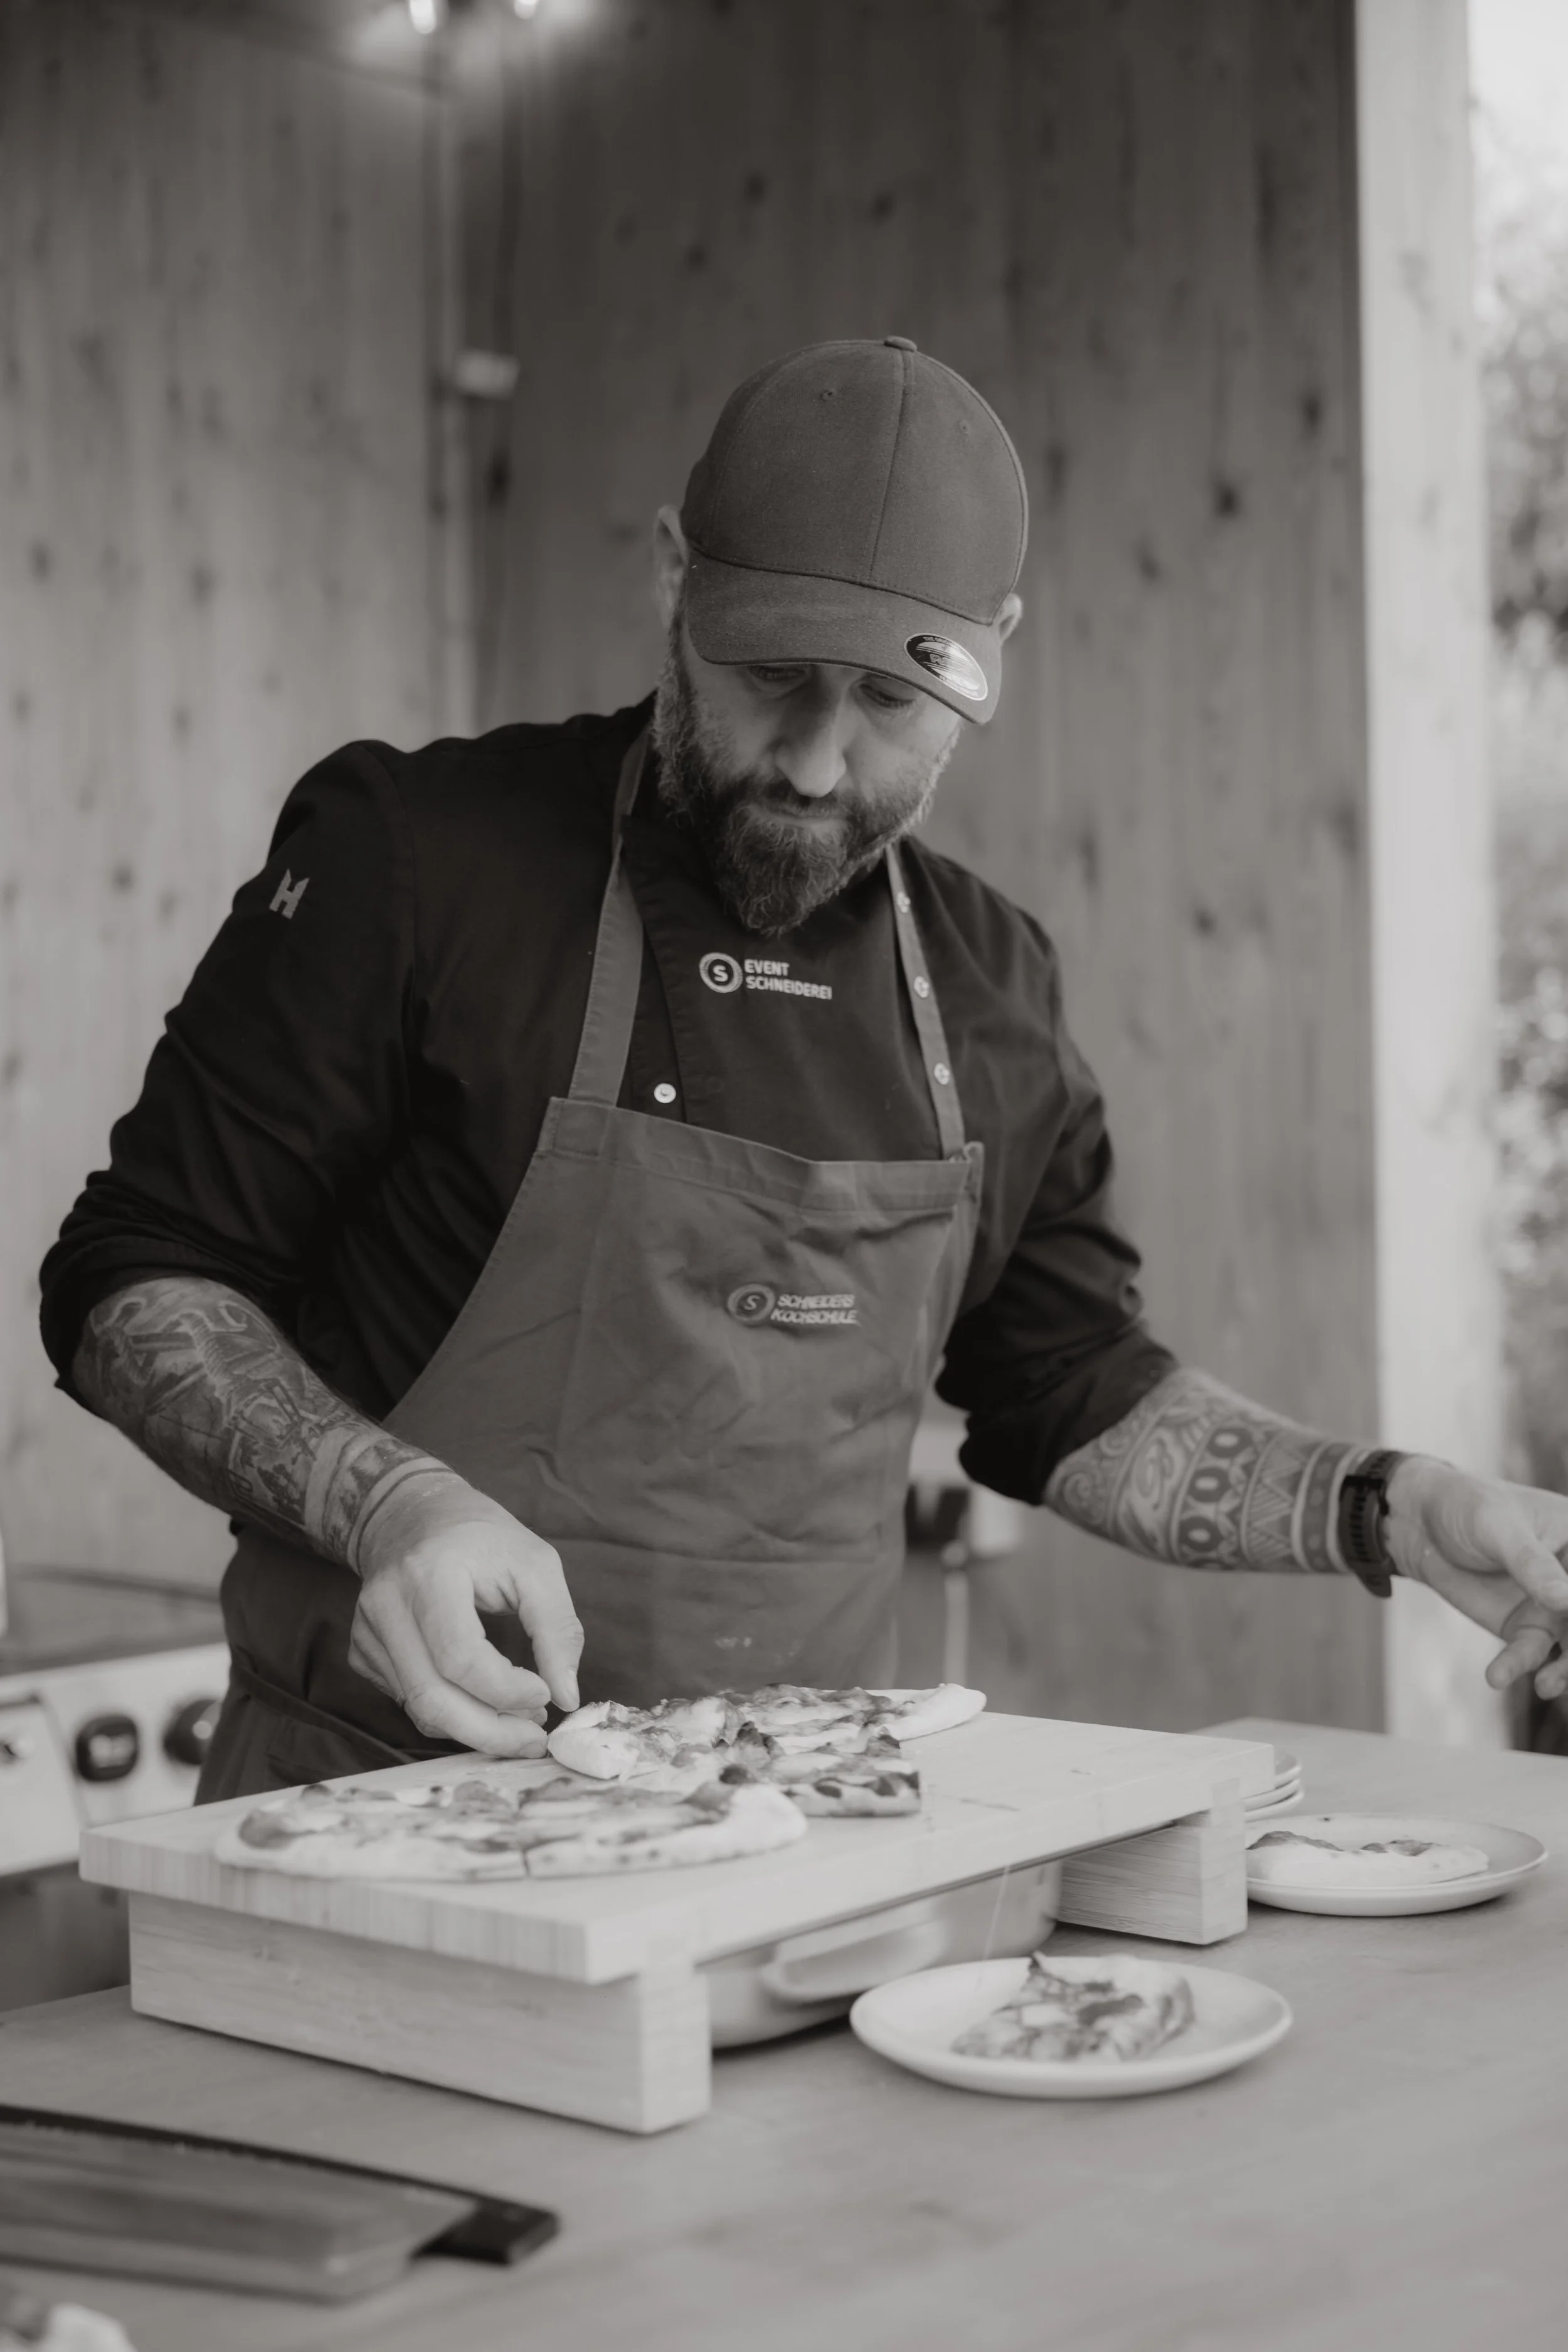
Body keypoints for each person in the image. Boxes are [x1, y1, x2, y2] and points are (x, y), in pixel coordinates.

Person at [40, 337, 1568, 1802]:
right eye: (773, 674)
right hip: (371, 1819)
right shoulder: (416, 864)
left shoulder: (991, 988)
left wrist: (1386, 1502)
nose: (820, 765)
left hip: (803, 1862)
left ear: (990, 657)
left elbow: (1074, 1393)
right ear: (672, 578)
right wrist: (388, 1506)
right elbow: (133, 1279)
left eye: (893, 704)